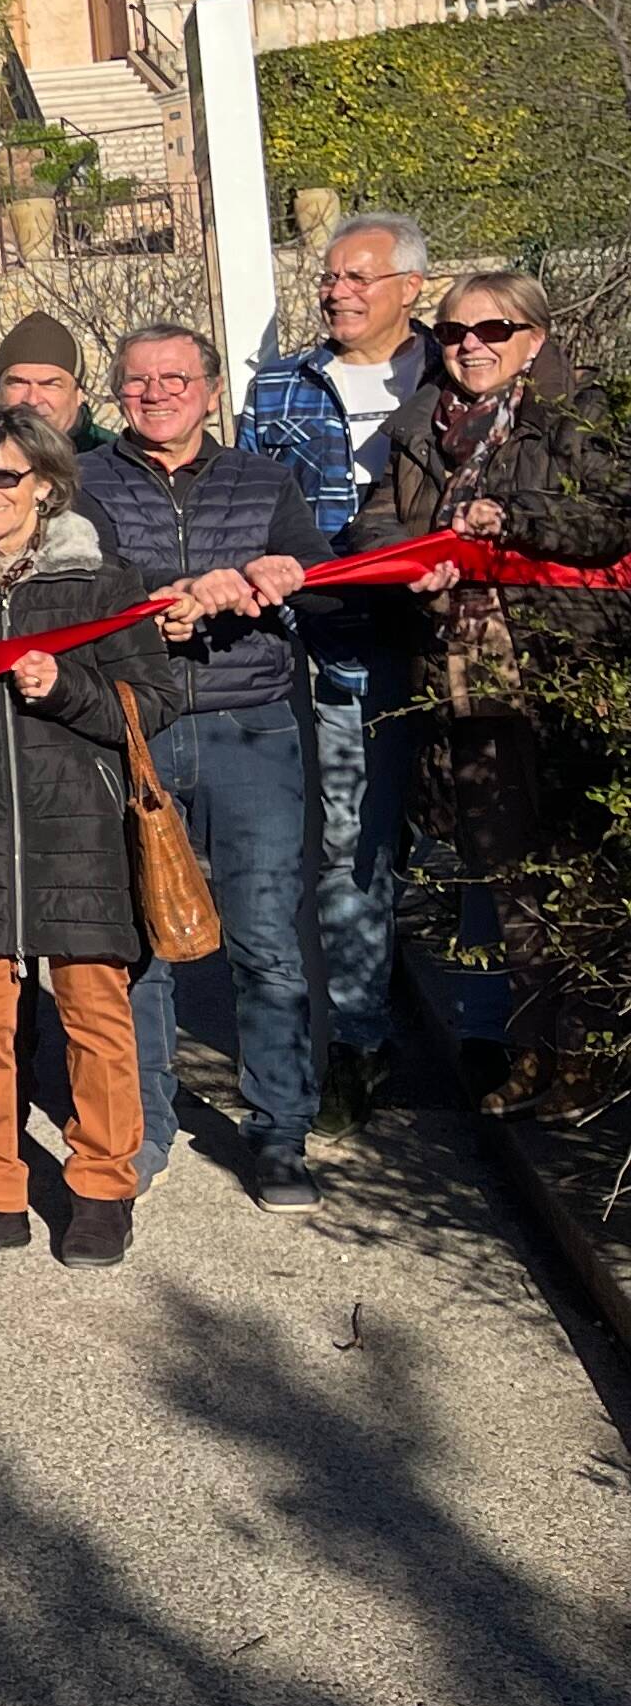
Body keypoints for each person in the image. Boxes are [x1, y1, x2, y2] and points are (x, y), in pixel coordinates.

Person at [0, 409, 178, 1267]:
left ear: (46, 484)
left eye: (4, 478)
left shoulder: (102, 577)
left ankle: (102, 1190)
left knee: (96, 1014)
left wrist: (65, 689)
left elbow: (154, 702)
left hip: (81, 825)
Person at [76, 322, 323, 1210]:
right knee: (140, 940)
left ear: (212, 390)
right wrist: (168, 599)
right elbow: (91, 583)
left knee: (265, 942)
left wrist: (272, 573)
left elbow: (320, 572)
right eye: (137, 380)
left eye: (175, 378)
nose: (155, 393)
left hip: (250, 726)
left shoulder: (267, 479)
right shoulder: (86, 482)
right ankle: (142, 1122)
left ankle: (281, 1133)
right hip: (136, 727)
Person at [356, 271, 604, 1111]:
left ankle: (586, 1058)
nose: (473, 344)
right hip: (463, 676)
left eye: (495, 330)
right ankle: (531, 1052)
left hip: (561, 675)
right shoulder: (421, 424)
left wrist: (513, 513)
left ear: (534, 338)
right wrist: (415, 558)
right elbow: (373, 522)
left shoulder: (580, 416)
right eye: (458, 330)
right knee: (509, 876)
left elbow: (606, 519)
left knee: (577, 872)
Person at [240, 212, 436, 1135]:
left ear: (411, 289)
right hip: (332, 652)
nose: (338, 291)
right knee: (349, 849)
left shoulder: (452, 377)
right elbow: (249, 509)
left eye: (360, 276)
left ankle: (493, 1040)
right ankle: (358, 1042)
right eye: (330, 277)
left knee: (463, 848)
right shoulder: (282, 387)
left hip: (447, 643)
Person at [0, 313, 107, 452]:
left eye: (50, 384)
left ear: (79, 393)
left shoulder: (117, 465)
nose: (32, 400)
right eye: (18, 383)